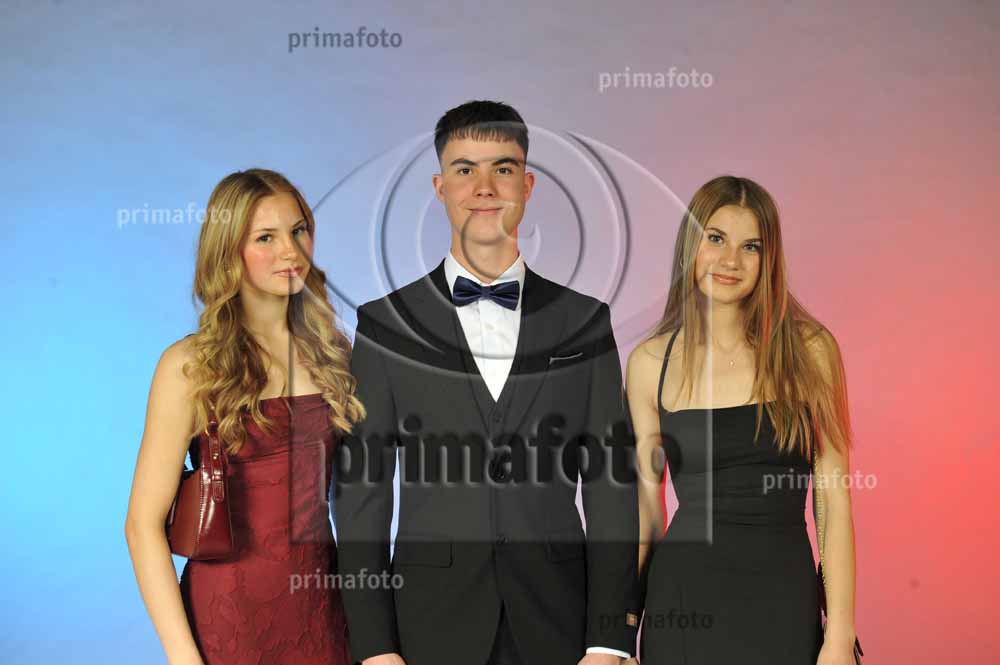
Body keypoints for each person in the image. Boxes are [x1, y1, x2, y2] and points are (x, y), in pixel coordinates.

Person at [335, 100, 640, 665]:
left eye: (502, 168)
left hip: (560, 624)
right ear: (440, 187)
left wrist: (608, 639)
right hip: (428, 627)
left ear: (526, 185)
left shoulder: (585, 322)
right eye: (464, 169)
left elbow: (611, 488)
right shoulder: (385, 325)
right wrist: (375, 647)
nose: (484, 187)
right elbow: (361, 497)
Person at [124, 168, 364, 665]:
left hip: (323, 610)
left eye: (299, 230)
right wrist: (183, 657)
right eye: (265, 238)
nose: (290, 251)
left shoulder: (333, 354)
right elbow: (142, 525)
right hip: (229, 618)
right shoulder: (189, 365)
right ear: (229, 249)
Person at [624, 176, 858, 664]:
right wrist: (620, 633)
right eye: (716, 239)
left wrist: (839, 634)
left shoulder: (811, 350)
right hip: (681, 602)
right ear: (690, 246)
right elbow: (647, 512)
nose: (731, 260)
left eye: (750, 246)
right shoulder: (649, 362)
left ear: (769, 259)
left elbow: (833, 500)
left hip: (784, 600)